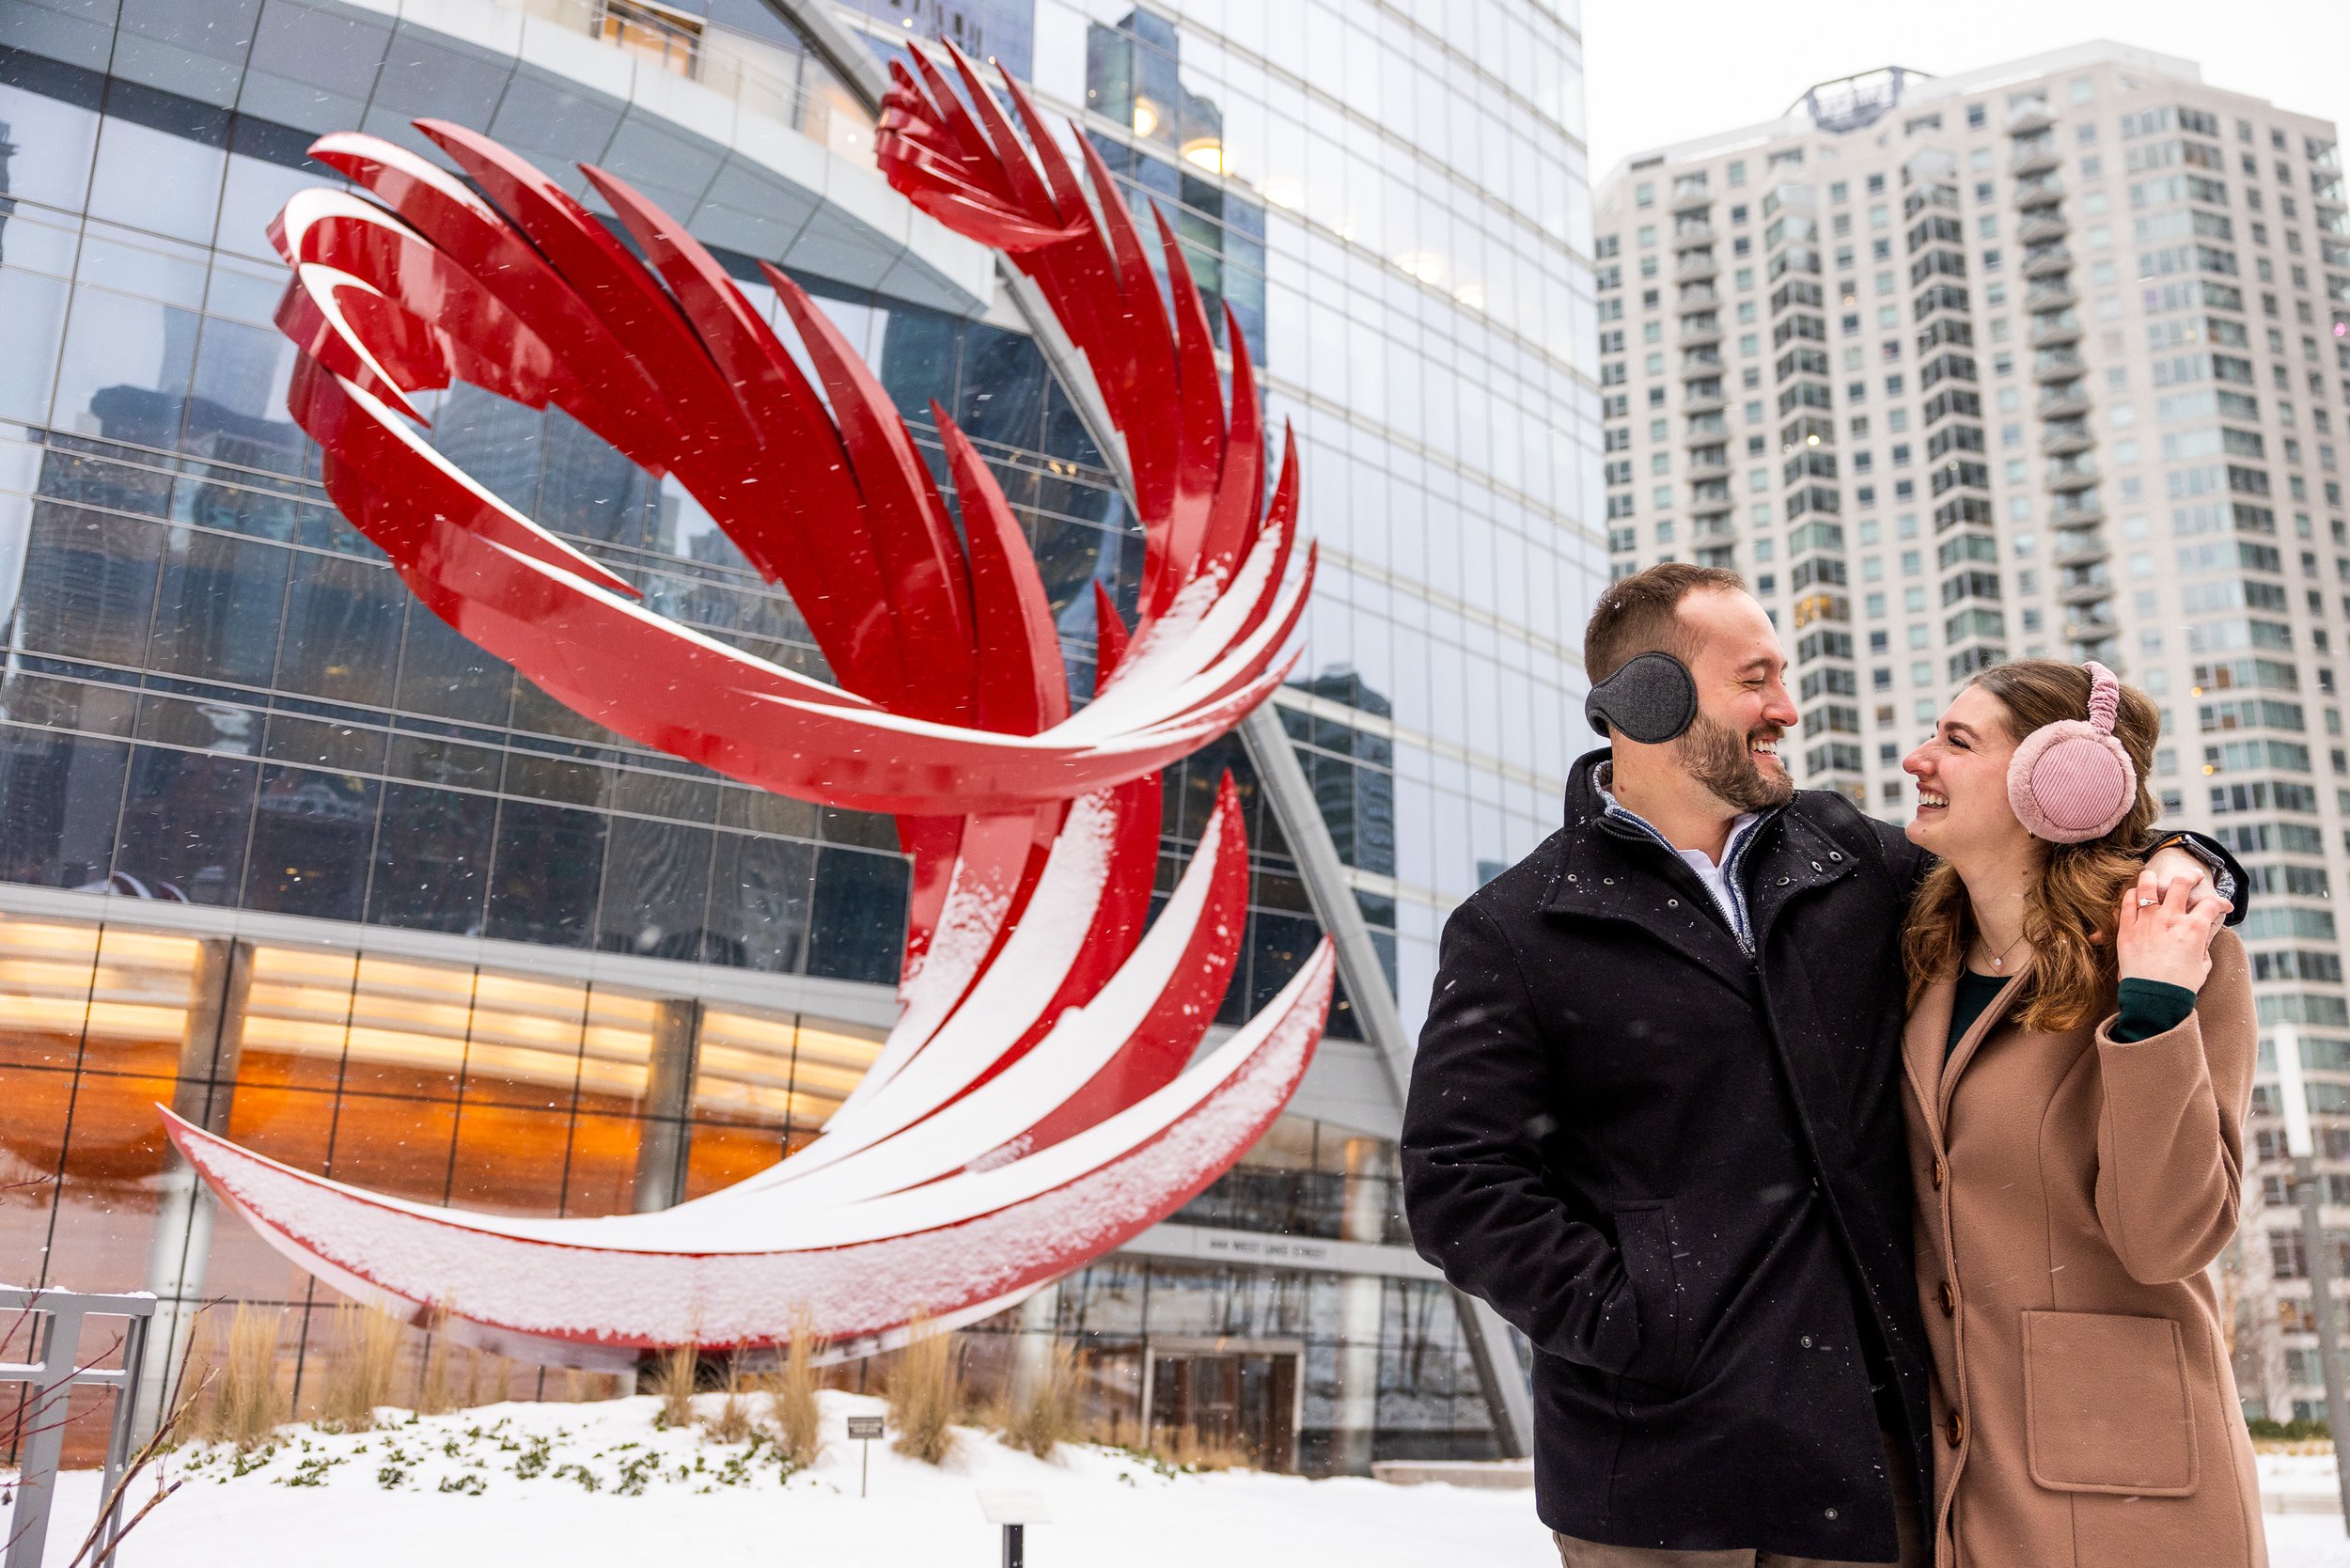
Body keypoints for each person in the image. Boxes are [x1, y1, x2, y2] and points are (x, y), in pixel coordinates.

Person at [1400, 563, 2240, 1568]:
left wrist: (2194, 857)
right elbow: (1458, 1183)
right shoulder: (1515, 928)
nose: (1785, 709)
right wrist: (1637, 1323)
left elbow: (2040, 858)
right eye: (1755, 679)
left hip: (1867, 1461)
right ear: (1646, 696)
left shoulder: (1857, 860)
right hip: (1650, 1482)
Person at [1896, 660, 2264, 1568]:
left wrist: (2155, 1011)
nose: (1916, 760)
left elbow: (2167, 1239)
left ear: (2062, 781)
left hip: (2129, 1496)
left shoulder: (2177, 955)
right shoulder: (1919, 950)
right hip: (1954, 1485)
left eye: (1955, 741)